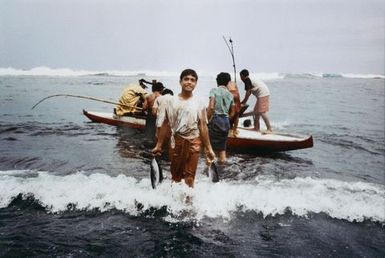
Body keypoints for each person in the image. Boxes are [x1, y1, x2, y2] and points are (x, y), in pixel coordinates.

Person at [152, 69, 216, 188]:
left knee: (190, 177)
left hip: (194, 141)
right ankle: (174, 203)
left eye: (193, 80)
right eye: (186, 79)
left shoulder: (199, 102)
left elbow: (203, 126)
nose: (189, 82)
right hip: (176, 142)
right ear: (180, 82)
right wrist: (159, 145)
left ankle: (188, 204)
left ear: (196, 83)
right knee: (176, 177)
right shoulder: (171, 101)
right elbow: (165, 124)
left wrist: (209, 148)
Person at [207, 72, 235, 163]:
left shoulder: (214, 90)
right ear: (228, 82)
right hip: (226, 121)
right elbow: (233, 112)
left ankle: (209, 171)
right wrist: (226, 119)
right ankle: (223, 168)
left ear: (217, 81)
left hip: (215, 119)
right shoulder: (230, 95)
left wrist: (206, 120)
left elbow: (211, 107)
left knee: (209, 148)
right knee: (222, 148)